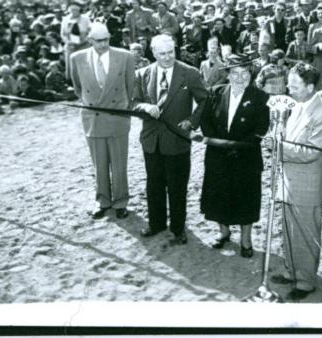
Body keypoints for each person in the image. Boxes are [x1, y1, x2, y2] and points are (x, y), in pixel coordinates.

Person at [132, 34, 209, 245]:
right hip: (151, 140)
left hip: (177, 140)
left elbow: (204, 101)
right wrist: (145, 107)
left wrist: (191, 122)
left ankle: (178, 228)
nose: (167, 58)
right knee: (154, 184)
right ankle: (156, 224)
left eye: (171, 53)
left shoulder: (190, 73)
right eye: (162, 54)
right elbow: (133, 102)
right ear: (153, 53)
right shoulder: (142, 74)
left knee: (177, 186)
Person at [269, 63, 322, 301]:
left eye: (294, 85)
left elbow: (311, 152)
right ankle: (291, 271)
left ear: (309, 87)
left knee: (305, 233)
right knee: (287, 229)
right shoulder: (296, 105)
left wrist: (278, 147)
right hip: (289, 178)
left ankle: (306, 281)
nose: (289, 87)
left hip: (307, 183)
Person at [199, 55, 270, 258]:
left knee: (245, 198)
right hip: (217, 155)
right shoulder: (215, 92)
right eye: (235, 73)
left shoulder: (260, 97)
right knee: (218, 195)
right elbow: (206, 122)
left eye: (244, 73)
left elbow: (260, 128)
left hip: (246, 157)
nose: (240, 78)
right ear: (228, 75)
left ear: (251, 74)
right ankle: (224, 232)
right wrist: (220, 144)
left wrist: (238, 147)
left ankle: (246, 239)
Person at [70, 22, 136, 220]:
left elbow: (130, 87)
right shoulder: (77, 58)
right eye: (98, 41)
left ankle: (121, 201)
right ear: (90, 40)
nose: (103, 44)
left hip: (117, 116)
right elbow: (77, 88)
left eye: (106, 39)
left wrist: (122, 108)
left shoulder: (125, 56)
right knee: (98, 164)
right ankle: (102, 201)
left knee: (119, 164)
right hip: (93, 119)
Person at [60, 1, 92, 80]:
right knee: (72, 65)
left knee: (84, 65)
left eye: (76, 10)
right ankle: (71, 82)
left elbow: (90, 32)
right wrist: (68, 42)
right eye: (72, 10)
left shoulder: (85, 19)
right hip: (71, 46)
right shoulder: (65, 19)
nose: (74, 12)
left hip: (84, 45)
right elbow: (62, 34)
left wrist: (83, 42)